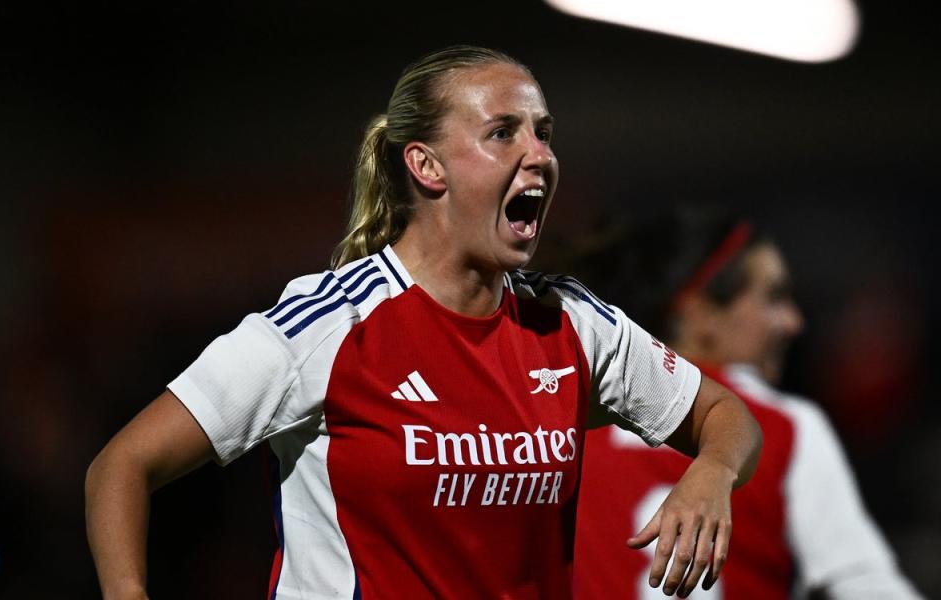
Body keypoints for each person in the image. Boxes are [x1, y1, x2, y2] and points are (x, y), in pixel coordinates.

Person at [85, 47, 761, 599]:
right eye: (504, 133)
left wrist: (711, 473)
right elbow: (121, 467)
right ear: (425, 164)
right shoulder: (328, 325)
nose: (541, 155)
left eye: (543, 133)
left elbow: (727, 413)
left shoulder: (570, 324)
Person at [572, 210, 923, 599]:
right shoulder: (784, 426)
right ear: (699, 314)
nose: (793, 322)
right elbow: (865, 585)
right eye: (773, 298)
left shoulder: (569, 416)